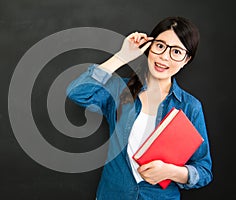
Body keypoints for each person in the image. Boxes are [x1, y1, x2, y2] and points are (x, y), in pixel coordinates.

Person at [66, 16, 213, 200]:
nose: (164, 57)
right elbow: (77, 92)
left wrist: (171, 172)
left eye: (176, 51)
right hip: (113, 195)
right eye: (160, 46)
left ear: (186, 59)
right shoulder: (120, 90)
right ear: (150, 46)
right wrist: (122, 57)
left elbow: (204, 170)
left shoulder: (190, 107)